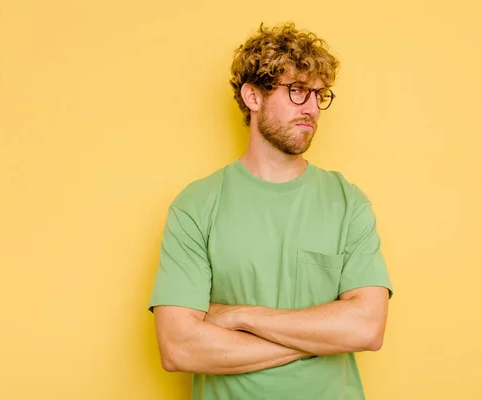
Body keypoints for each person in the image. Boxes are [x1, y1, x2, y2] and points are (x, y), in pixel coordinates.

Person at [148, 22, 393, 400]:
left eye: (319, 94)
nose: (312, 108)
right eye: (297, 90)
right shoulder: (196, 205)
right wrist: (321, 336)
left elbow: (367, 329)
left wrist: (240, 316)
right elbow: (179, 347)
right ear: (252, 97)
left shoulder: (348, 201)